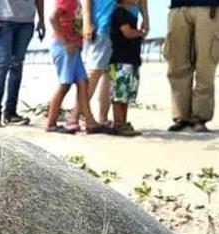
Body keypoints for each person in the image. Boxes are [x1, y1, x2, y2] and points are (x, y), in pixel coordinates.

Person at [67, 0, 149, 130]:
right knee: (95, 71)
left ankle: (103, 118)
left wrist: (146, 18)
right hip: (102, 24)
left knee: (109, 75)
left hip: (125, 24)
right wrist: (87, 21)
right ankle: (75, 116)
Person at [165, 0, 219, 132]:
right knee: (177, 65)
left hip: (210, 7)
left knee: (205, 65)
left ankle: (200, 117)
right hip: (179, 6)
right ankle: (181, 116)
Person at [47, 0, 106, 134]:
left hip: (74, 50)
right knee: (65, 84)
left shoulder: (78, 3)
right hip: (64, 48)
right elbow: (52, 18)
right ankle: (50, 123)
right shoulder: (67, 1)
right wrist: (65, 41)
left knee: (83, 82)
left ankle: (90, 122)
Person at [0, 0, 46, 127]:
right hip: (4, 19)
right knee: (3, 64)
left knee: (17, 65)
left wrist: (41, 19)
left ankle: (11, 113)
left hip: (26, 20)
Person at [109, 0, 145, 136]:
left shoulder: (129, 14)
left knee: (126, 95)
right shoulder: (119, 12)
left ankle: (123, 121)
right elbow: (127, 32)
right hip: (120, 60)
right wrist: (140, 33)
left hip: (131, 59)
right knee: (119, 94)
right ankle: (118, 123)